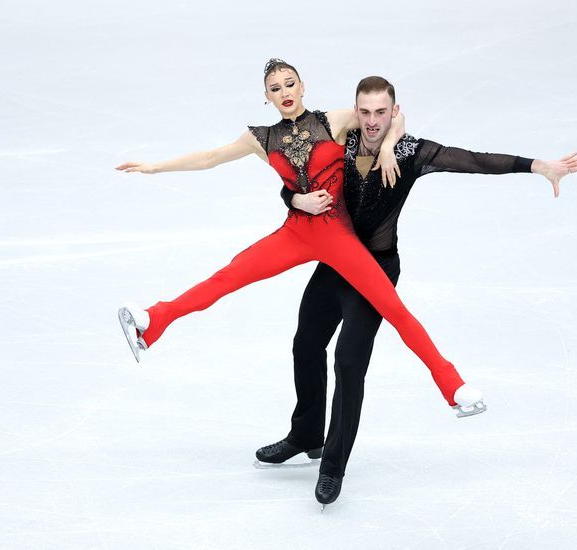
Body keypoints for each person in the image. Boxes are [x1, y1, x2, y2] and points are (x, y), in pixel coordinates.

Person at [115, 60, 487, 507]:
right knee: (226, 277)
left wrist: (388, 146)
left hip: (338, 235)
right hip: (294, 233)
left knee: (392, 306)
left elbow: (395, 117)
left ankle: (453, 386)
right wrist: (155, 168)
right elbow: (210, 158)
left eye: (290, 83)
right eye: (275, 88)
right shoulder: (261, 138)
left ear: (303, 85)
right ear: (267, 96)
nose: (285, 91)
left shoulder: (334, 119)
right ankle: (152, 321)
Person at [255, 76, 577, 505]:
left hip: (375, 269)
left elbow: (475, 160)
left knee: (348, 363)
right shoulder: (343, 142)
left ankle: (332, 465)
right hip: (336, 261)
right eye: (365, 112)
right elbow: (297, 175)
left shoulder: (412, 153)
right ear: (355, 112)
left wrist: (537, 165)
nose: (372, 121)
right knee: (306, 343)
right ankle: (306, 434)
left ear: (394, 113)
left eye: (382, 113)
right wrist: (291, 199)